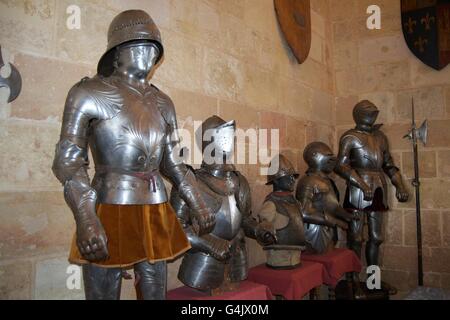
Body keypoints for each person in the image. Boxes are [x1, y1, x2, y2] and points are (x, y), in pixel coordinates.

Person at [52, 10, 214, 300]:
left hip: (156, 204)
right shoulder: (87, 92)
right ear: (117, 51)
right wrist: (87, 218)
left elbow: (173, 160)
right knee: (104, 289)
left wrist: (197, 202)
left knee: (154, 290)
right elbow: (68, 162)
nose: (148, 54)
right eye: (139, 45)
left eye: (153, 48)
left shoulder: (163, 102)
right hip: (109, 203)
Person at [170, 116, 276, 294]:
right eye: (224, 135)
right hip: (202, 263)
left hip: (236, 260)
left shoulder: (239, 181)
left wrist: (258, 230)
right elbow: (175, 228)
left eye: (231, 135)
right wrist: (210, 244)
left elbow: (244, 219)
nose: (230, 140)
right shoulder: (190, 181)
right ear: (208, 140)